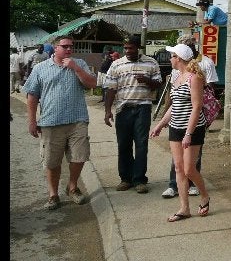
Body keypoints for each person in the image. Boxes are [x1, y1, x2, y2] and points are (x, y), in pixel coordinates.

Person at [22, 35, 97, 210]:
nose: (69, 49)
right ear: (55, 48)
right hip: (50, 122)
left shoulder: (79, 64)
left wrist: (76, 68)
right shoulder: (40, 68)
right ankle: (53, 194)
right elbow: (32, 95)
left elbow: (93, 84)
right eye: (65, 46)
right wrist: (32, 121)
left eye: (71, 46)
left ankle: (72, 187)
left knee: (79, 157)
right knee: (51, 161)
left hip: (77, 120)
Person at [149, 43, 210, 222]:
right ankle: (184, 208)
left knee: (189, 168)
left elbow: (197, 106)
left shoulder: (194, 77)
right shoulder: (177, 77)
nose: (170, 59)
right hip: (176, 127)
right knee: (178, 168)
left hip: (193, 129)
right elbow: (174, 106)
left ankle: (205, 196)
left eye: (172, 56)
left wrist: (189, 133)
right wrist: (160, 125)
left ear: (179, 59)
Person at [162, 35, 220, 198]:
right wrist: (162, 122)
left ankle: (196, 187)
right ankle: (176, 190)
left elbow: (201, 100)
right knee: (179, 164)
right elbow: (174, 98)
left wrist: (189, 131)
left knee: (191, 162)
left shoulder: (203, 66)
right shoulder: (176, 73)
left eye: (187, 44)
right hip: (177, 123)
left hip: (194, 123)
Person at [103, 35, 162, 194]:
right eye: (125, 48)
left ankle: (140, 180)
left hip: (143, 108)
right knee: (124, 144)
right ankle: (125, 178)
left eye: (131, 48)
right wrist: (108, 111)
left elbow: (158, 84)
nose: (127, 51)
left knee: (141, 144)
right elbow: (110, 88)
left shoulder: (151, 62)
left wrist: (146, 80)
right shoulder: (116, 64)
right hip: (123, 109)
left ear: (138, 48)